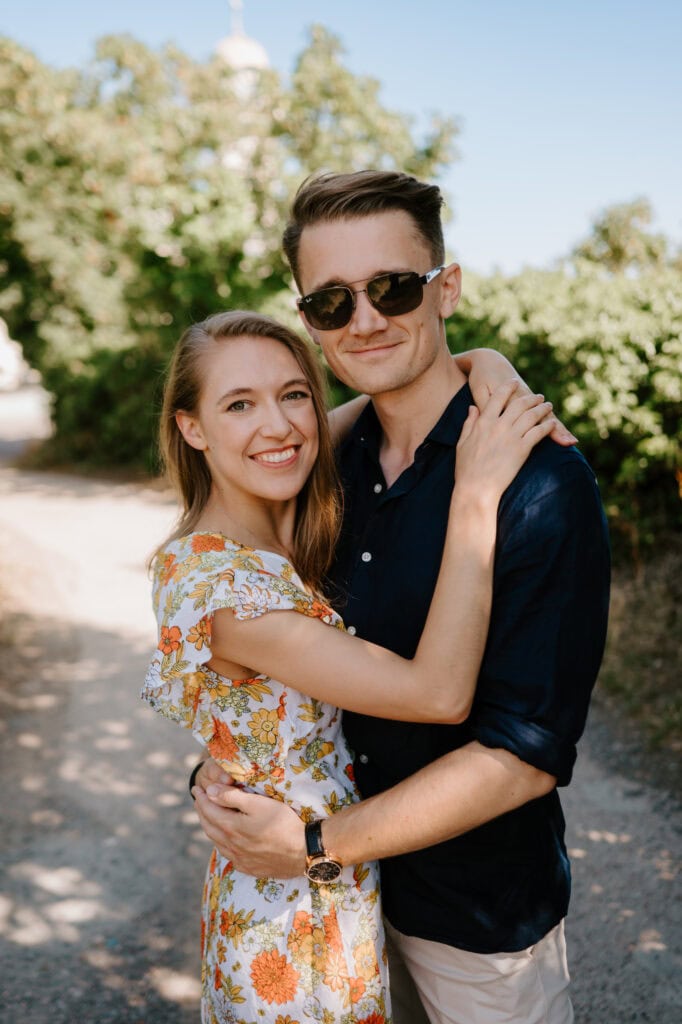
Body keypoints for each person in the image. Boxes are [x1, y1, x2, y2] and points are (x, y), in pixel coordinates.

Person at [190, 171, 611, 1024]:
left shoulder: (540, 483)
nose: (366, 320)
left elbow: (523, 756)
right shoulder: (314, 468)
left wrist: (315, 847)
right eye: (332, 302)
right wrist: (228, 765)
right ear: (310, 319)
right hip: (325, 921)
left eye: (392, 288)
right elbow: (264, 653)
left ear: (445, 288)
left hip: (472, 921)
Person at [142, 305, 557, 1024]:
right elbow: (437, 694)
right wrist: (475, 494)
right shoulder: (223, 587)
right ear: (192, 427)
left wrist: (483, 363)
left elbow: (388, 398)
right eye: (238, 404)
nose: (277, 425)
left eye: (294, 393)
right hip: (288, 915)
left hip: (330, 886)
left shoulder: (269, 513)